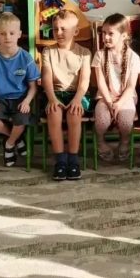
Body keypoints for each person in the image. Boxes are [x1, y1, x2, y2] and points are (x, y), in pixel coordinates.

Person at [0, 12, 40, 167]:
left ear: (19, 34)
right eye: (3, 33)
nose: (7, 37)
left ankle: (9, 144)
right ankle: (17, 139)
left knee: (21, 120)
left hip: (20, 99)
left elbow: (33, 86)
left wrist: (27, 101)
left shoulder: (26, 58)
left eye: (12, 33)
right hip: (0, 99)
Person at [42, 9, 92, 181]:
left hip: (77, 94)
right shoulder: (48, 51)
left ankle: (73, 159)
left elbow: (84, 80)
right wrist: (52, 99)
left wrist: (77, 99)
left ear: (75, 31)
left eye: (63, 29)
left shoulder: (84, 53)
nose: (59, 32)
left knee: (74, 114)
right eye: (55, 29)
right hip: (55, 93)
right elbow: (46, 77)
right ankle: (60, 160)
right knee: (54, 113)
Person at [92, 13, 140, 163]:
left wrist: (119, 103)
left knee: (126, 123)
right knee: (101, 121)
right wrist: (109, 102)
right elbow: (101, 83)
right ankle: (100, 142)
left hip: (126, 97)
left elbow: (131, 86)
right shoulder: (100, 55)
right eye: (103, 33)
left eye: (111, 33)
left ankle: (125, 141)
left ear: (124, 35)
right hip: (105, 96)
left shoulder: (133, 57)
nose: (106, 37)